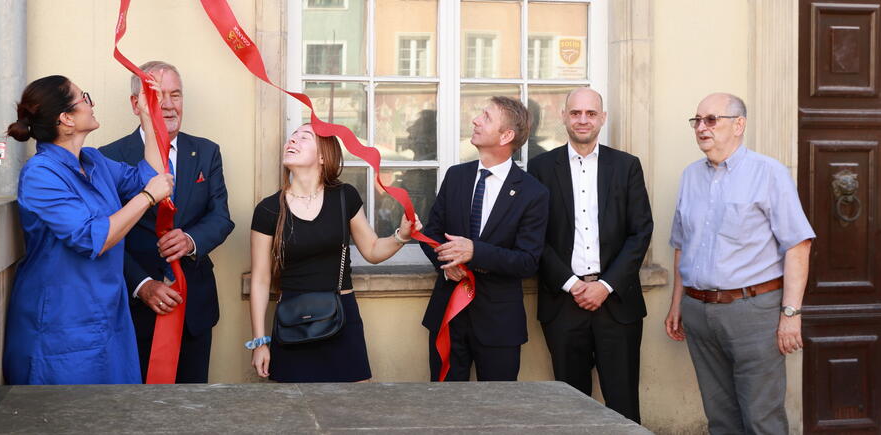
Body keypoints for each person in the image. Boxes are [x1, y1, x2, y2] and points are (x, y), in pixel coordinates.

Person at [2, 74, 174, 384]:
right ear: (66, 119)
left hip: (106, 314)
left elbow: (151, 176)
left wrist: (149, 118)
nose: (91, 105)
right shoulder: (41, 175)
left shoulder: (93, 161)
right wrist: (147, 197)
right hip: (62, 321)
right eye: (85, 98)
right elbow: (93, 237)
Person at [665, 92, 815, 434]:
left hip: (752, 313)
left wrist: (790, 315)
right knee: (720, 418)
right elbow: (681, 245)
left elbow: (798, 244)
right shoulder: (690, 176)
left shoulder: (769, 173)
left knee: (762, 417)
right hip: (699, 312)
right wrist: (677, 304)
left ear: (739, 125)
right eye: (697, 120)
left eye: (711, 120)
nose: (702, 128)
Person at [248, 123, 419, 382]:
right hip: (292, 322)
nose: (292, 141)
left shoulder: (344, 196)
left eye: (303, 137)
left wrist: (401, 236)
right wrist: (260, 342)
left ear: (322, 156)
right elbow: (260, 280)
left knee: (351, 410)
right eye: (291, 137)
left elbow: (372, 250)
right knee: (295, 410)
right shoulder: (268, 209)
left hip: (342, 316)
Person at [100, 61, 233, 384]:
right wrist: (142, 285)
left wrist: (190, 240)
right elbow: (106, 233)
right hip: (135, 310)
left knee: (191, 408)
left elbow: (221, 217)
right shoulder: (108, 157)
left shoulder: (206, 152)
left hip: (193, 308)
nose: (170, 105)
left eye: (176, 95)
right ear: (137, 104)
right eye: (159, 96)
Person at [528, 87, 653, 423]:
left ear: (603, 118)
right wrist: (571, 284)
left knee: (623, 404)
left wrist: (606, 285)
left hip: (617, 304)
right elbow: (534, 236)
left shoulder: (626, 166)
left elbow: (640, 232)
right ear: (564, 117)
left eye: (590, 113)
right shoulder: (539, 168)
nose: (583, 120)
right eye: (575, 113)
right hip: (563, 303)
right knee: (572, 408)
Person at [420, 96, 549, 381]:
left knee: (496, 412)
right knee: (447, 409)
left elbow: (528, 261)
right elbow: (431, 233)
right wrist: (446, 261)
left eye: (486, 117)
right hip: (449, 317)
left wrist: (474, 252)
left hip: (499, 324)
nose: (476, 120)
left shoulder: (532, 192)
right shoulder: (456, 176)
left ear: (506, 135)